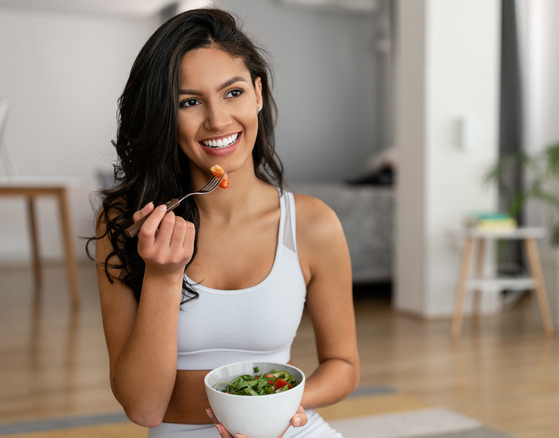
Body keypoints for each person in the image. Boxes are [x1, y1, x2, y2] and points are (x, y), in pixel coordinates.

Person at [90, 8, 359, 438]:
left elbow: (343, 366)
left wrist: (274, 404)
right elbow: (143, 408)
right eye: (189, 102)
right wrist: (162, 274)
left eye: (232, 93)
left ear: (257, 93)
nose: (217, 120)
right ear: (165, 114)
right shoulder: (128, 225)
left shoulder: (312, 223)